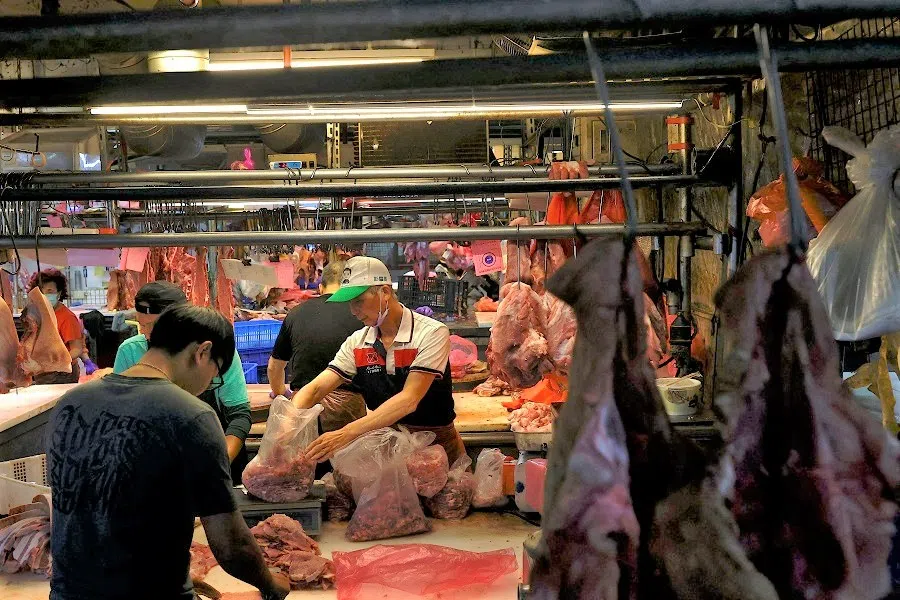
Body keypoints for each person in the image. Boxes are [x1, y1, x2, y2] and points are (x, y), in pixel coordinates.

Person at [46, 304, 290, 600]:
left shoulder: (68, 405)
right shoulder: (191, 415)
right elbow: (230, 545)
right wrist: (270, 585)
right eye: (215, 374)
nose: (207, 387)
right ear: (202, 352)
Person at [292, 256, 465, 465]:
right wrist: (285, 425)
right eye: (350, 303)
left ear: (384, 292)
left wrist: (346, 433)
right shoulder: (359, 341)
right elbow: (316, 389)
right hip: (388, 453)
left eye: (358, 301)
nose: (353, 311)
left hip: (437, 454)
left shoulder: (432, 333)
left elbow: (409, 400)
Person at [113, 282, 252, 482]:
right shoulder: (130, 350)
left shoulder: (215, 351)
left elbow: (238, 415)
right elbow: (123, 419)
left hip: (212, 457)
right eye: (141, 325)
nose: (147, 334)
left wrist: (217, 464)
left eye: (153, 326)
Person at [267, 260, 367, 436]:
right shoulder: (362, 314)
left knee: (306, 461)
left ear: (321, 287)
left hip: (302, 409)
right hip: (348, 413)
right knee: (345, 462)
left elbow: (274, 368)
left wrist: (281, 393)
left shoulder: (296, 313)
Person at [28, 269, 83, 384]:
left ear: (59, 293)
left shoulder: (67, 317)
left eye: (50, 291)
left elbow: (77, 349)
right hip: (42, 371)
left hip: (62, 374)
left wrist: (58, 363)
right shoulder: (37, 315)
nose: (44, 296)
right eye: (41, 292)